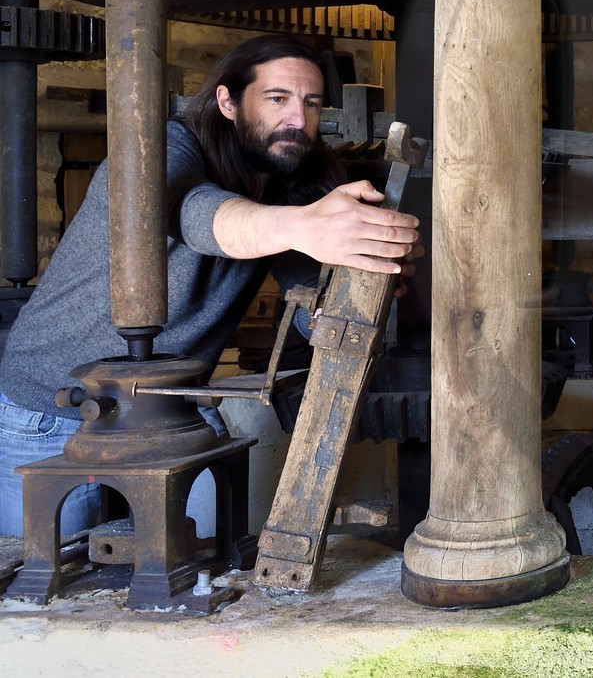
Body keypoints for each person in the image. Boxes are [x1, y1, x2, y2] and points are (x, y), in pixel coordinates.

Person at [0, 35, 420, 537]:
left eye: (310, 103)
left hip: (173, 405)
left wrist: (362, 281)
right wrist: (305, 227)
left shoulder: (287, 180)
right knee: (50, 585)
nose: (297, 119)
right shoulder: (162, 150)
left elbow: (311, 299)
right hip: (49, 409)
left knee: (203, 564)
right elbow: (189, 212)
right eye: (277, 98)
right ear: (227, 101)